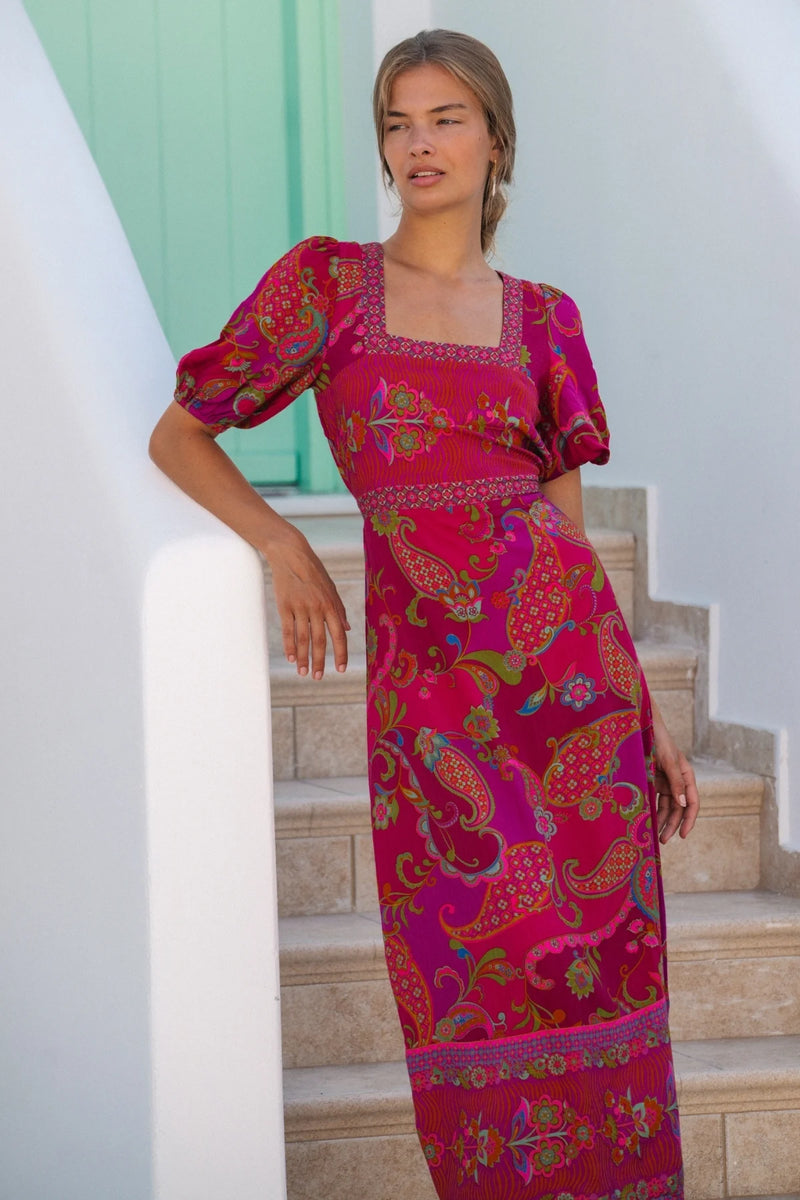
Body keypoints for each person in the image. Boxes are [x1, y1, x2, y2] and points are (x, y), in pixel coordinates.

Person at [150, 28, 699, 1200]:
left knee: (606, 984)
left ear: (494, 141)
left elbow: (567, 526)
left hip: (577, 707)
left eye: (445, 118)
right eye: (397, 122)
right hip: (435, 714)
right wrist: (285, 544)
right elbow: (179, 432)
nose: (418, 144)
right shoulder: (328, 288)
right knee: (467, 976)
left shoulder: (544, 318)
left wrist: (641, 708)